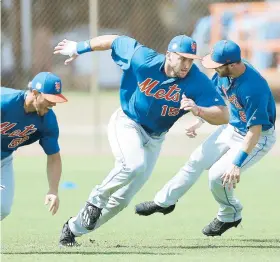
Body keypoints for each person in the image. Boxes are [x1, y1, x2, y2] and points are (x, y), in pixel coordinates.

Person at [53, 34, 229, 246]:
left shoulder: (196, 80)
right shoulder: (143, 58)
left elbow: (223, 114)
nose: (186, 64)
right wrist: (78, 47)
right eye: (182, 58)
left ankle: (72, 228)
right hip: (127, 123)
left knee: (122, 200)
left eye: (191, 59)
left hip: (155, 139)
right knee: (133, 164)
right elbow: (116, 40)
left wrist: (199, 110)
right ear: (169, 55)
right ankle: (96, 199)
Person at [135, 40, 277, 237]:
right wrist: (200, 120)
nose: (213, 68)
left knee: (218, 176)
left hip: (258, 137)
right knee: (195, 160)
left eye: (217, 65)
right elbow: (214, 102)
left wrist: (237, 164)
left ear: (233, 65)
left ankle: (230, 214)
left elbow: (254, 131)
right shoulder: (225, 73)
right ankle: (164, 202)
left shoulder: (254, 88)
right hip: (232, 128)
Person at [1, 72, 68, 221]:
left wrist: (53, 190)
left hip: (3, 160)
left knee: (3, 207)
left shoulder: (48, 121)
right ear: (36, 93)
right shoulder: (4, 103)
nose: (53, 104)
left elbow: (53, 157)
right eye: (50, 99)